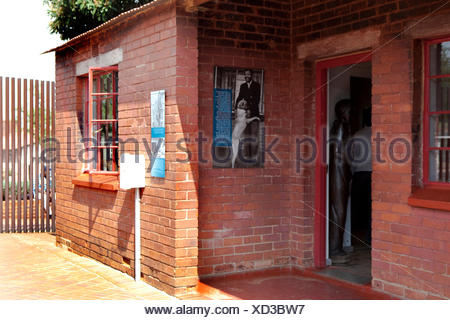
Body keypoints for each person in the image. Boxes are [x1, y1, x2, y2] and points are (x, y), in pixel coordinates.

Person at [329, 99, 352, 264]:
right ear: (343, 112)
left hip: (340, 171)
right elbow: (339, 152)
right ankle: (335, 248)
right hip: (339, 172)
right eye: (350, 112)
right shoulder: (341, 127)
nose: (351, 115)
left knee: (339, 210)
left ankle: (336, 245)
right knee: (339, 210)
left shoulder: (340, 126)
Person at [350, 108, 372, 245]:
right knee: (372, 208)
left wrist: (352, 174)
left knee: (357, 206)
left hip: (359, 174)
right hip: (374, 174)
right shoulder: (380, 134)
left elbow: (351, 157)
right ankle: (370, 237)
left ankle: (353, 237)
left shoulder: (357, 135)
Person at [235, 70, 261, 166]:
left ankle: (254, 157)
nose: (247, 76)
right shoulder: (242, 86)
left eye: (249, 74)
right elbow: (239, 98)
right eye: (245, 74)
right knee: (246, 135)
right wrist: (235, 108)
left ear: (252, 75)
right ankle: (246, 156)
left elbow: (257, 100)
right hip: (245, 116)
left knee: (254, 135)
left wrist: (249, 108)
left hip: (254, 115)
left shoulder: (257, 85)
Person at [231, 100, 260, 168]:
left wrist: (256, 117)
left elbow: (249, 119)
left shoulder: (244, 120)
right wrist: (242, 102)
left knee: (236, 152)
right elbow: (239, 109)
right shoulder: (240, 118)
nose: (246, 113)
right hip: (234, 137)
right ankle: (232, 165)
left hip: (236, 138)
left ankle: (233, 163)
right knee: (235, 152)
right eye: (245, 112)